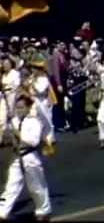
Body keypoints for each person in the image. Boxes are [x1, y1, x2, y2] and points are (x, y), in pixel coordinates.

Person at [0, 93, 52, 221]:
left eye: (22, 107)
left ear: (28, 108)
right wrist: (10, 136)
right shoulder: (15, 121)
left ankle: (44, 210)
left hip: (30, 156)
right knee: (12, 184)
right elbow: (7, 136)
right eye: (17, 108)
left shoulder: (34, 122)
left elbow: (34, 141)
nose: (19, 110)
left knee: (36, 185)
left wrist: (20, 135)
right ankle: (2, 212)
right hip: (17, 156)